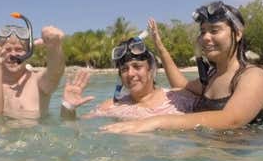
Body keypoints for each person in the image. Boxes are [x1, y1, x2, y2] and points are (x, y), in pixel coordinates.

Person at [102, 1, 263, 133]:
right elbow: (181, 86)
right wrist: (159, 46)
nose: (205, 37)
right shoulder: (212, 77)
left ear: (238, 33)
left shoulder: (253, 76)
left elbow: (231, 120)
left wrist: (157, 121)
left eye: (214, 31)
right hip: (211, 158)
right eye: (203, 31)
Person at [60, 37, 197, 120]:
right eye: (124, 69)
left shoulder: (177, 99)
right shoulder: (111, 106)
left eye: (137, 66)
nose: (130, 74)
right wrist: (68, 107)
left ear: (151, 69)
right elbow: (73, 126)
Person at [0, 21, 65, 119]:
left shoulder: (38, 82)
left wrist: (54, 46)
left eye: (19, 49)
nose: (13, 55)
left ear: (28, 53)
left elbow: (55, 72)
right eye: (7, 50)